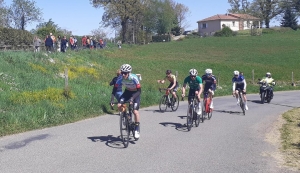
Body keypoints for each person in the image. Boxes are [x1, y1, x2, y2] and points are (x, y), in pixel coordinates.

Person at [112, 64, 141, 139]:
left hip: (135, 93)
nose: (123, 74)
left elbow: (139, 91)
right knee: (119, 104)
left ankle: (137, 129)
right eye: (122, 73)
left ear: (129, 73)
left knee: (135, 111)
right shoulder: (120, 78)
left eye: (125, 73)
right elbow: (114, 89)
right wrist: (112, 99)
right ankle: (126, 116)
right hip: (127, 92)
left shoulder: (134, 78)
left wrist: (132, 98)